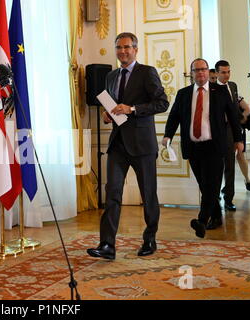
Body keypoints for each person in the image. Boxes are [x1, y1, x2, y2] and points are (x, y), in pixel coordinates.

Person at [87, 32, 169, 260]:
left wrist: (132, 109)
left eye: (126, 47)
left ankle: (150, 239)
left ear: (135, 49)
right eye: (118, 48)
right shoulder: (111, 76)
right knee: (112, 192)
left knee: (148, 194)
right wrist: (108, 115)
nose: (122, 51)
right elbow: (114, 106)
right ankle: (107, 245)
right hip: (118, 144)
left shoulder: (147, 72)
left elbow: (162, 103)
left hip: (142, 145)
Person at [163, 59, 244, 238]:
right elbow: (174, 116)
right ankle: (216, 216)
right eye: (196, 70)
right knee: (205, 185)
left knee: (212, 185)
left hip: (214, 146)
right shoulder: (183, 94)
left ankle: (201, 220)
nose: (200, 73)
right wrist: (167, 135)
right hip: (193, 147)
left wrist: (238, 140)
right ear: (191, 73)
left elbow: (233, 116)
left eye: (203, 69)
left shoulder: (221, 92)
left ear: (208, 72)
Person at [216, 60, 241, 211]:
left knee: (230, 166)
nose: (226, 75)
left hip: (231, 131)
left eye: (228, 72)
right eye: (223, 72)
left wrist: (239, 136)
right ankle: (214, 195)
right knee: (217, 167)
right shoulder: (212, 89)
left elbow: (235, 110)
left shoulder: (233, 86)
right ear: (217, 73)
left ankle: (229, 199)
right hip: (217, 133)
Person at [236, 97, 250, 191]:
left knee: (240, 156)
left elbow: (248, 110)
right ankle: (227, 186)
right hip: (225, 131)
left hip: (239, 130)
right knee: (226, 158)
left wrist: (238, 120)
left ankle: (247, 179)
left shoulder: (237, 97)